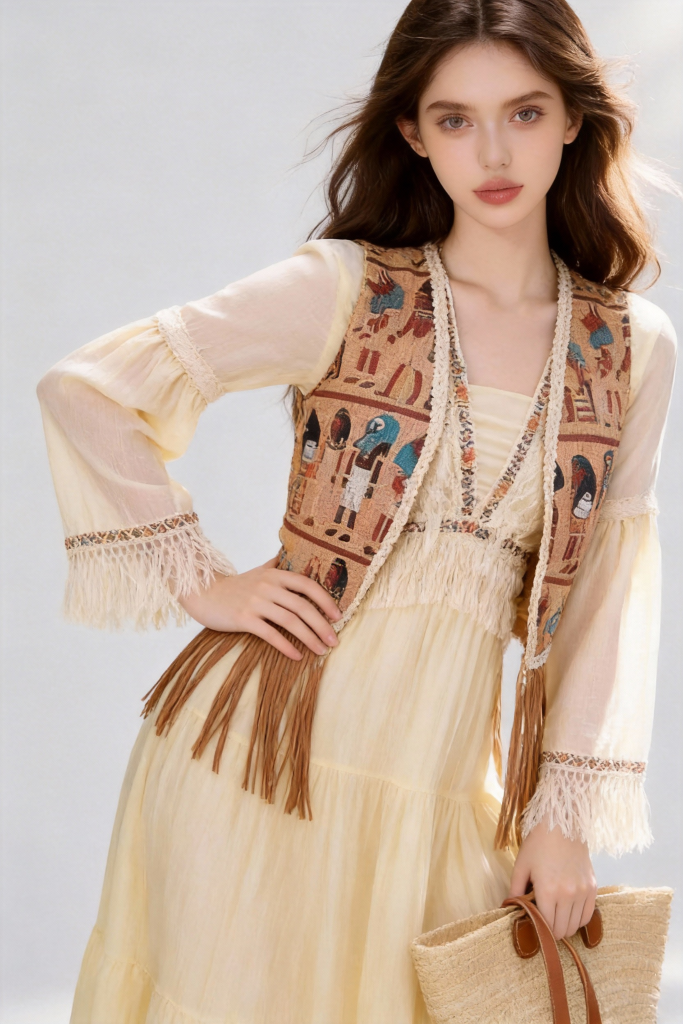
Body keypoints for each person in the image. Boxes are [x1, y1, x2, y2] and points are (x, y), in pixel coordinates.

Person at [37, 0, 678, 1021]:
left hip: (435, 787)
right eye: (455, 119)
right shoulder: (344, 288)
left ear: (571, 120)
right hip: (255, 767)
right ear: (413, 135)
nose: (492, 149)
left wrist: (561, 815)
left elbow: (604, 588)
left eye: (522, 111)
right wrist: (202, 578)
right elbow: (88, 388)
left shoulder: (627, 348)